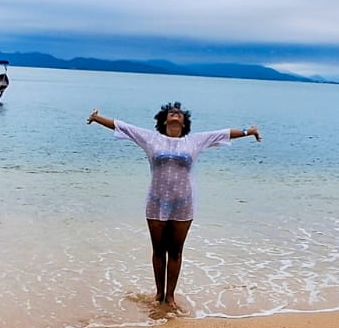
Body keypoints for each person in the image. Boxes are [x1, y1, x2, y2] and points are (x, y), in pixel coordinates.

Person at [87, 102, 262, 308]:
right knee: (158, 250)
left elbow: (223, 134)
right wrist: (97, 118)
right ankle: (158, 293)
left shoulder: (194, 141)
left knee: (176, 251)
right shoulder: (151, 138)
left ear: (184, 121)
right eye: (171, 112)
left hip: (183, 204)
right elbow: (123, 126)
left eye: (179, 113)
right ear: (164, 120)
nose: (175, 114)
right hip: (156, 201)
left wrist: (248, 131)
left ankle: (170, 297)